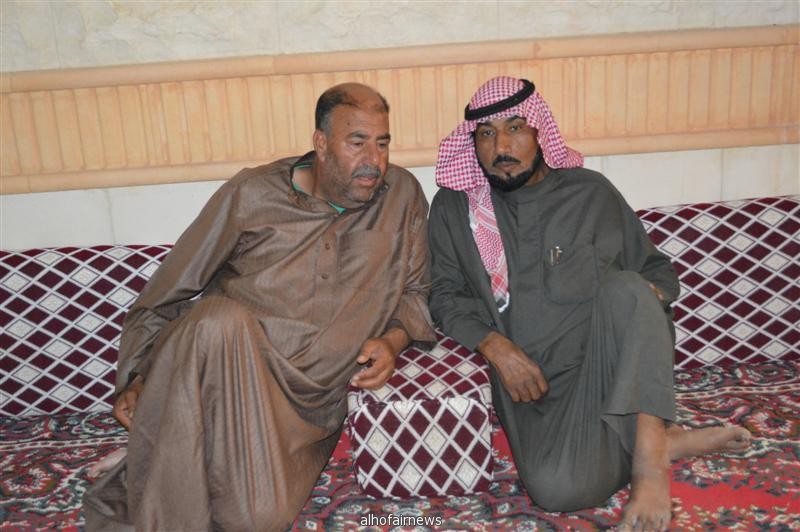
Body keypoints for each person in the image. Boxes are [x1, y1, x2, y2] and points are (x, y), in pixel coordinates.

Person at [83, 82, 435, 531]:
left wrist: (392, 342)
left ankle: (166, 450)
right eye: (357, 143)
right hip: (228, 373)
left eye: (382, 143)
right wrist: (136, 378)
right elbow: (164, 295)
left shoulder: (402, 195)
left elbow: (417, 293)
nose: (374, 160)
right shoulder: (252, 193)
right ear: (321, 144)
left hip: (307, 411)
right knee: (218, 321)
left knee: (256, 519)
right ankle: (168, 454)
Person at [428, 76, 751, 531]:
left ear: (539, 131)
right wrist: (495, 347)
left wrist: (638, 321)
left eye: (515, 128)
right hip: (531, 386)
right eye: (486, 133)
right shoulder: (454, 209)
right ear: (472, 143)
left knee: (631, 290)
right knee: (556, 491)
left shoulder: (591, 193)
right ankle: (660, 441)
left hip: (606, 364)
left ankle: (649, 467)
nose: (501, 146)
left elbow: (657, 272)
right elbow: (443, 294)